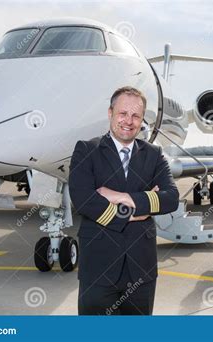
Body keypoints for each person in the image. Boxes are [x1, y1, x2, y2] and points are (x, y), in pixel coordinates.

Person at [69, 86, 179, 315]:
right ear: (110, 113)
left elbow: (170, 199)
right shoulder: (87, 150)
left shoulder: (154, 155)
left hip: (141, 269)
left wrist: (120, 197)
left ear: (141, 120)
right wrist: (142, 207)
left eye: (135, 115)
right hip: (99, 266)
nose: (128, 121)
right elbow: (83, 199)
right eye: (122, 113)